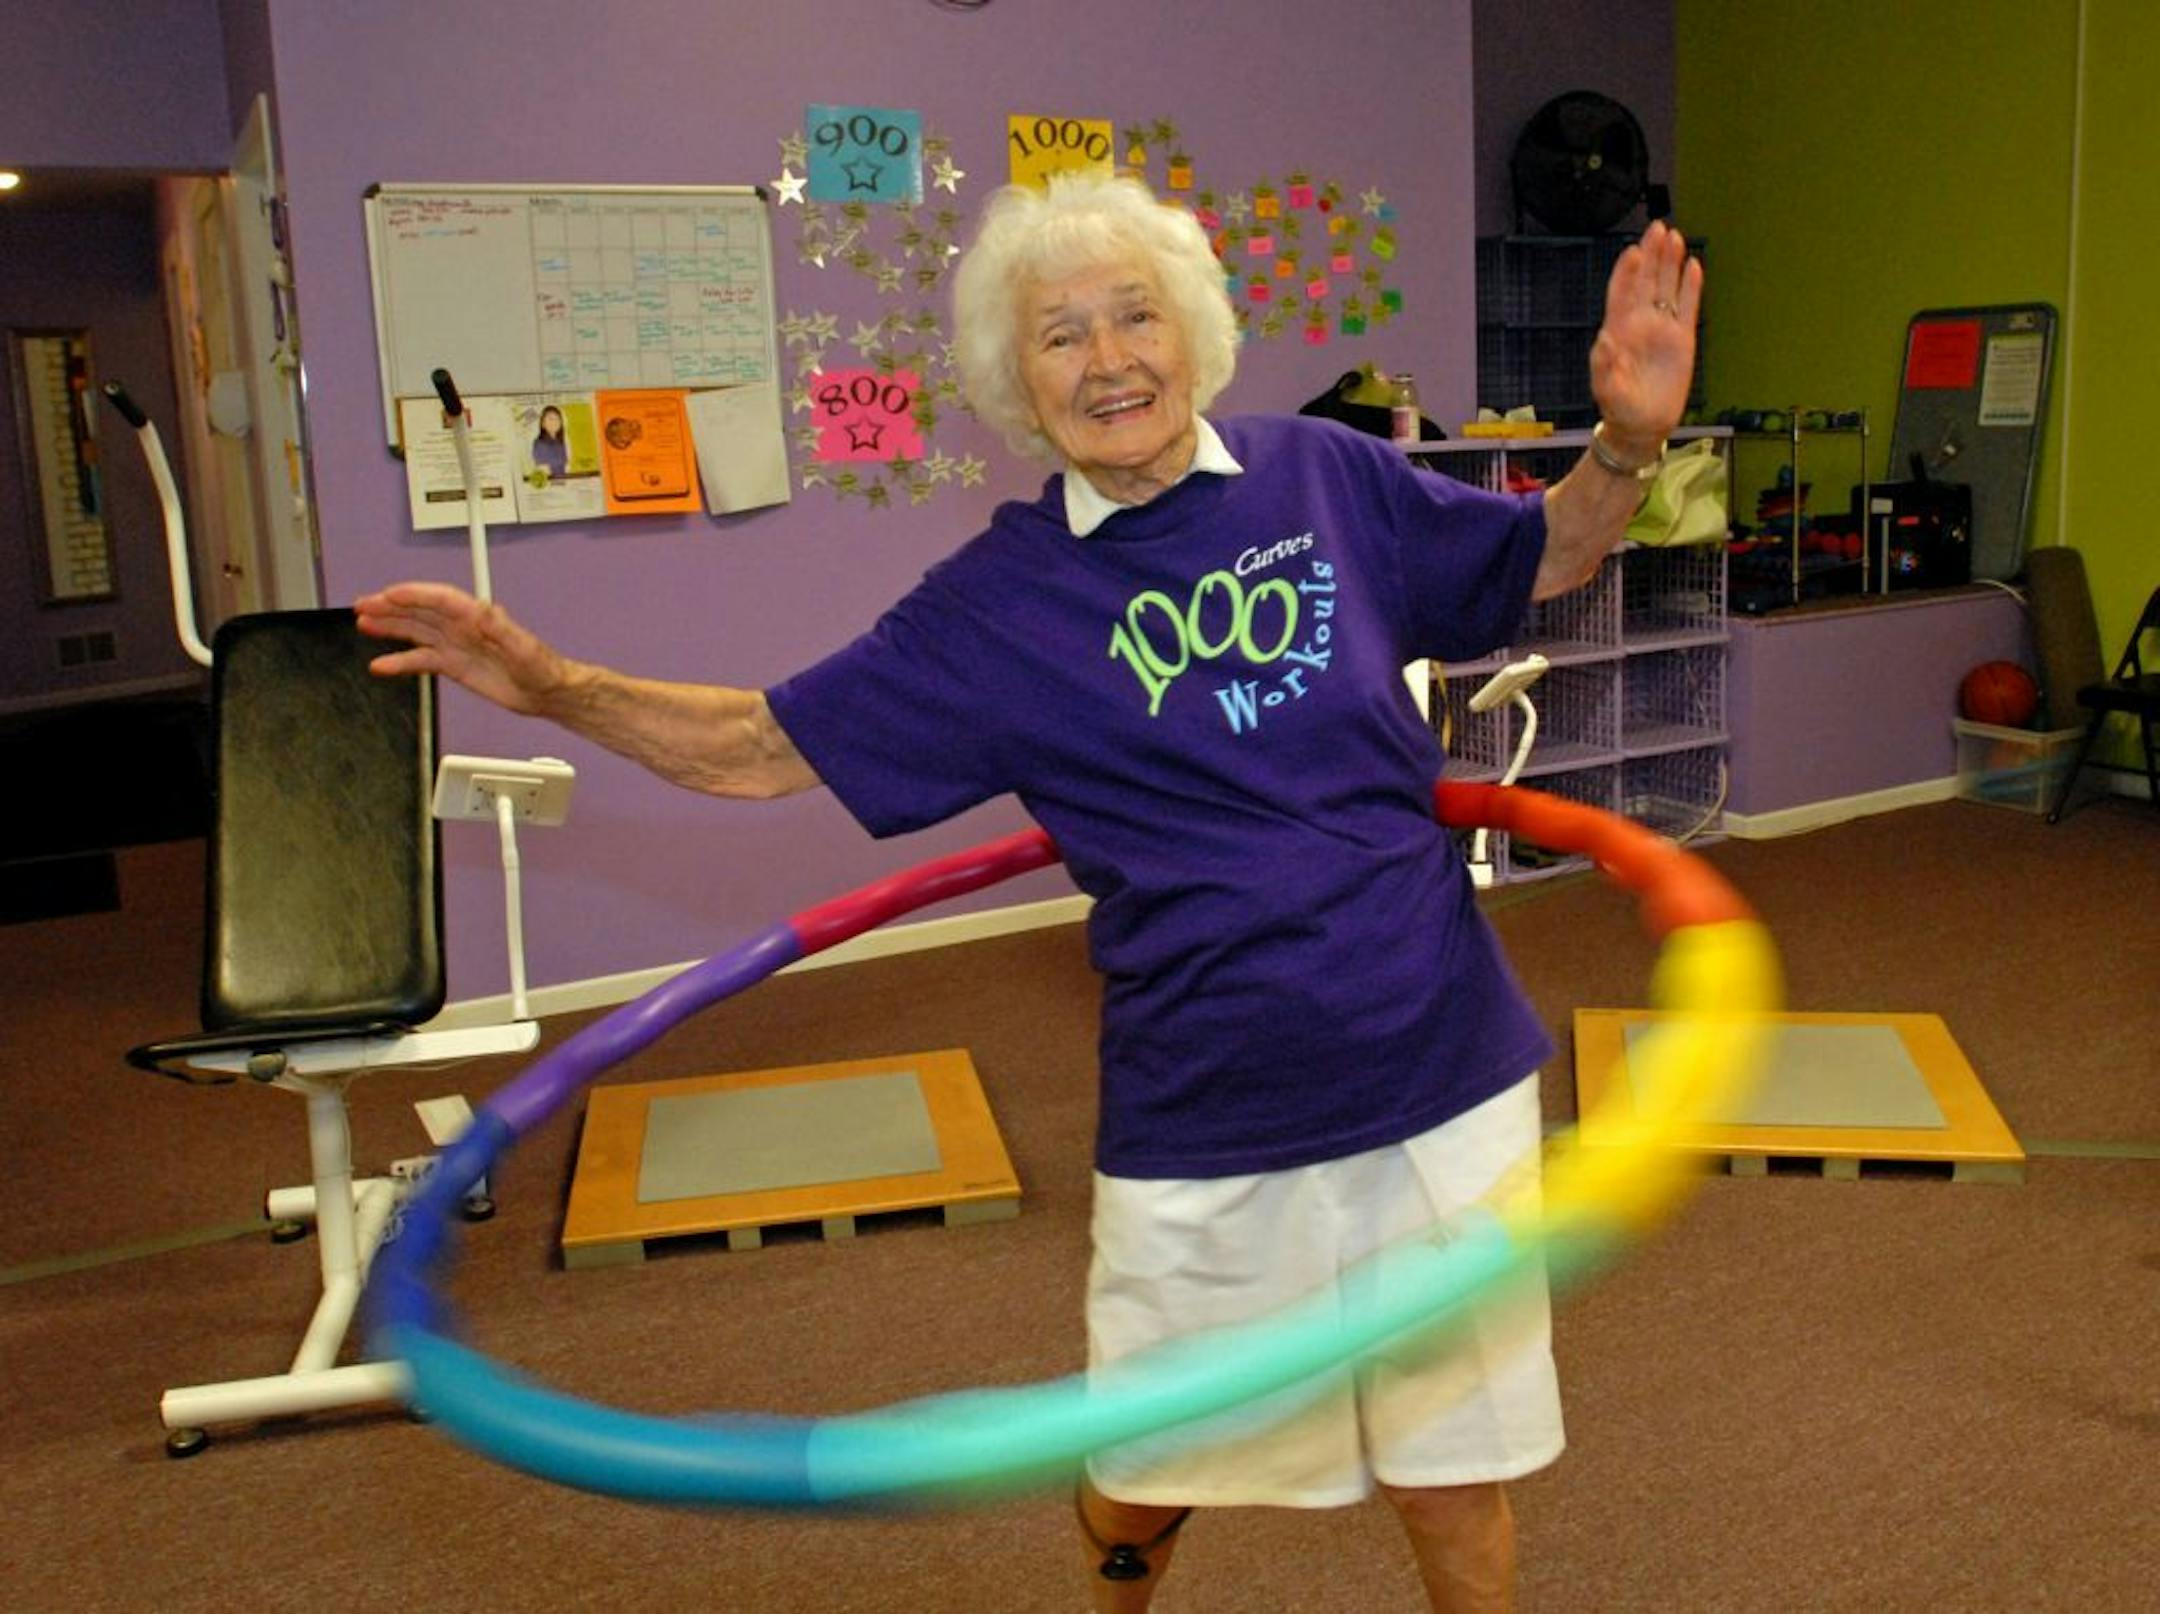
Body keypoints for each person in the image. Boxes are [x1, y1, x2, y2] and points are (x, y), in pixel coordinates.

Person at [355, 173, 1700, 1613]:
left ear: (1192, 333)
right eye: (1060, 336)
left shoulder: (1327, 476)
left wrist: (1626, 438)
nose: (1108, 359)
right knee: (1147, 1468)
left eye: (1135, 317)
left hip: (1435, 1050)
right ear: (1016, 383)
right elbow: (757, 749)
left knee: (1456, 1467)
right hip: (1211, 1098)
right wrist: (557, 688)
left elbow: (1543, 554)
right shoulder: (997, 606)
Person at [531, 404, 569, 480]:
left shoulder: (561, 442)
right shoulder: (540, 444)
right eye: (551, 419)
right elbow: (544, 471)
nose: (555, 422)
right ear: (543, 423)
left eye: (557, 419)